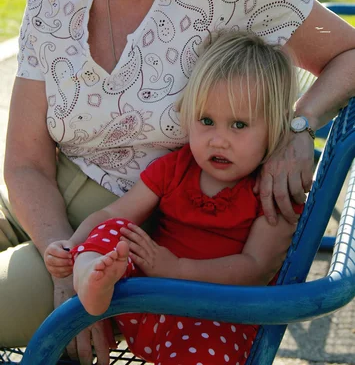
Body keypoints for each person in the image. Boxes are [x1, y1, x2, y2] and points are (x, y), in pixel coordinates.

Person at [1, 0, 355, 365]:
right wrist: (60, 260)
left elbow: (349, 53)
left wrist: (298, 128)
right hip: (42, 216)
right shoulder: (50, 0)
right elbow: (25, 162)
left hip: (128, 238)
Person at [45, 31, 302, 365]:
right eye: (206, 121)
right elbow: (114, 212)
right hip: (141, 306)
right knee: (117, 228)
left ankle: (94, 283)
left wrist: (176, 268)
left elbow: (255, 269)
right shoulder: (176, 168)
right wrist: (73, 246)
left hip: (215, 322)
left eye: (239, 125)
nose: (218, 140)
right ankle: (89, 280)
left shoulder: (270, 190)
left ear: (276, 128)